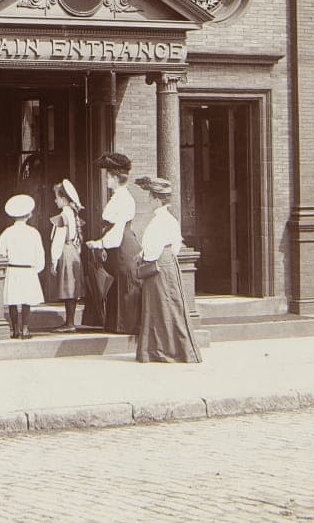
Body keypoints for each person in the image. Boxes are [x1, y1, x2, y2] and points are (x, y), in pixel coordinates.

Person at [134, 176, 202, 364]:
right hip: (167, 263)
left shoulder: (159, 221)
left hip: (158, 266)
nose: (148, 200)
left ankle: (162, 350)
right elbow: (175, 245)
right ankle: (171, 350)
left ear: (156, 198)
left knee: (160, 307)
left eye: (150, 197)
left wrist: (144, 257)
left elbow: (154, 247)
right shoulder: (169, 219)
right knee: (168, 306)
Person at [86, 151, 141, 334]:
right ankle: (116, 325)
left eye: (108, 176)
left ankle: (125, 326)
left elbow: (117, 231)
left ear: (116, 178)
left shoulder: (124, 199)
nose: (106, 180)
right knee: (115, 283)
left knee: (123, 284)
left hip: (123, 246)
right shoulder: (118, 197)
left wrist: (99, 243)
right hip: (118, 247)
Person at [0, 193, 46, 338]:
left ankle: (15, 328)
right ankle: (25, 328)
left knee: (13, 301)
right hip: (27, 270)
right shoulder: (34, 233)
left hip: (12, 269)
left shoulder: (6, 233)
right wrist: (36, 269)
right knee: (26, 300)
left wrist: (4, 269)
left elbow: (1, 254)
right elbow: (40, 253)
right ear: (29, 215)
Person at [48, 178, 84, 332]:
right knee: (72, 288)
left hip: (66, 251)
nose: (55, 201)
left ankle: (69, 323)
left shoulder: (63, 216)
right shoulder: (73, 214)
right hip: (74, 251)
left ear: (63, 198)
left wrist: (54, 260)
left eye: (56, 198)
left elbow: (57, 240)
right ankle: (70, 322)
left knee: (69, 287)